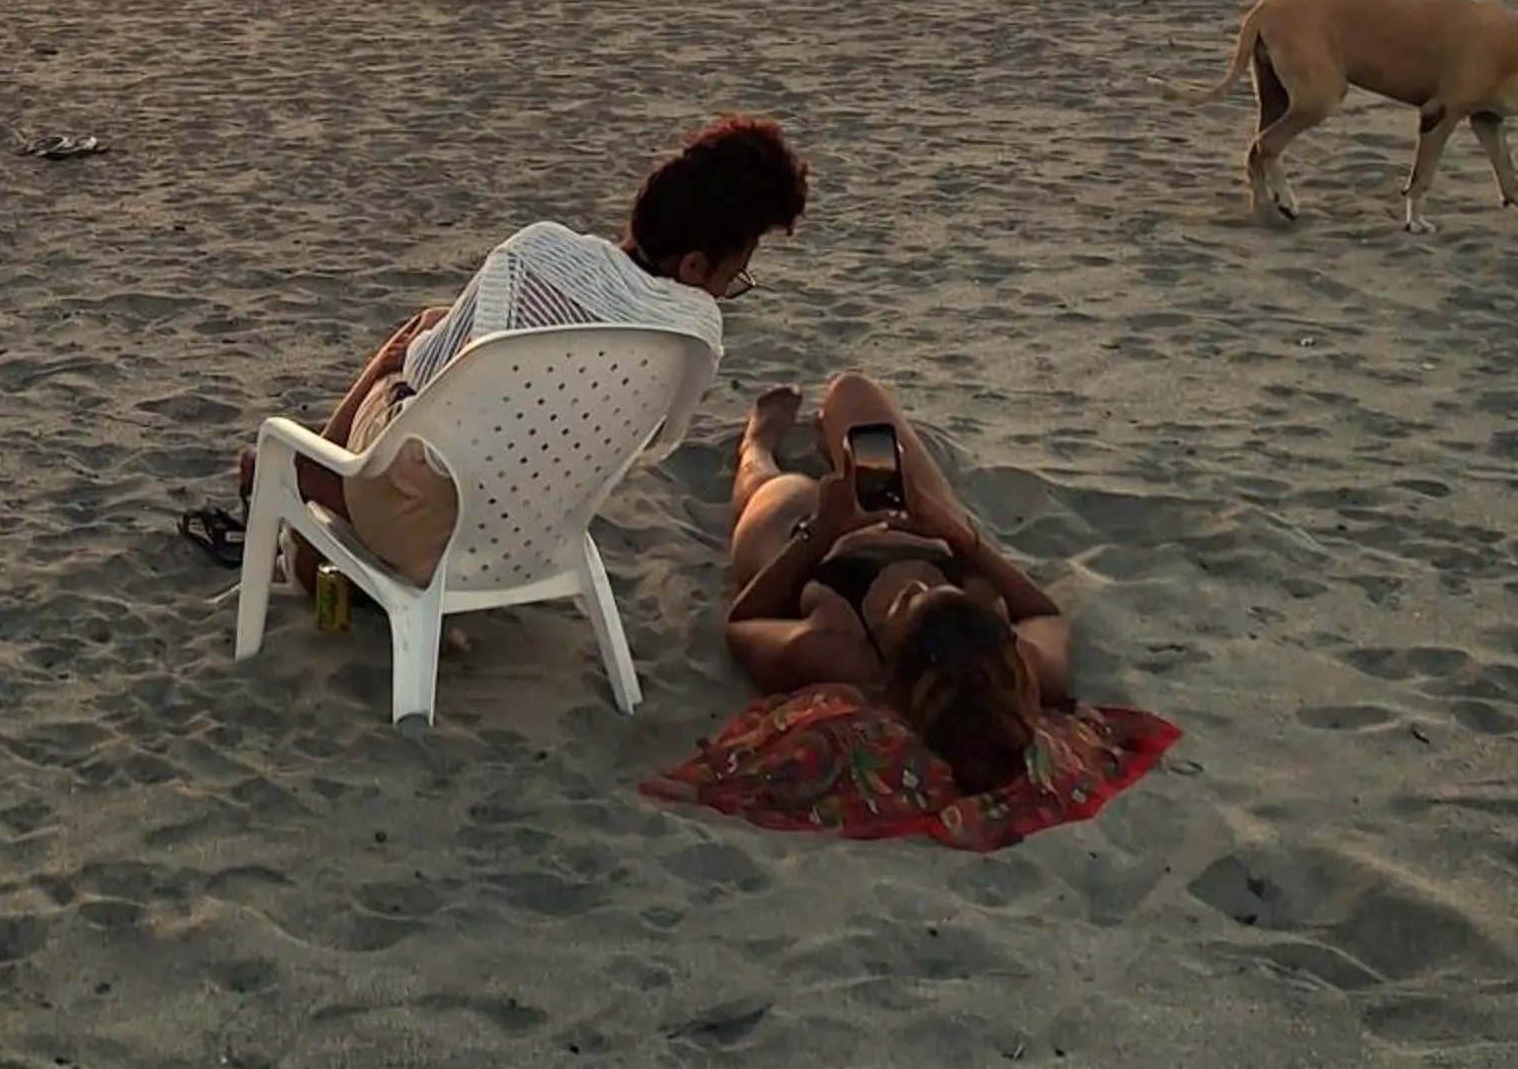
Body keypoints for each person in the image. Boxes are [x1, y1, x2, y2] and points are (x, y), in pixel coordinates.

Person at [279, 118, 811, 585]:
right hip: (537, 529)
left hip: (419, 527)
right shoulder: (692, 333)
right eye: (735, 276)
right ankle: (312, 480)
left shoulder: (534, 253)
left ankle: (304, 468)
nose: (727, 289)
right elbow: (652, 443)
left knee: (416, 344)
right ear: (693, 267)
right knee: (443, 333)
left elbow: (427, 372)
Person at [721, 372, 1072, 794]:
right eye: (947, 594)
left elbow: (741, 622)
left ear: (893, 658)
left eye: (912, 601)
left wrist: (821, 531)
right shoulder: (1019, 664)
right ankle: (836, 451)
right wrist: (959, 538)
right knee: (851, 391)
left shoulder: (833, 650)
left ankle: (756, 443)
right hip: (924, 530)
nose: (917, 586)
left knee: (771, 486)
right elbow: (1044, 613)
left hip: (821, 552)